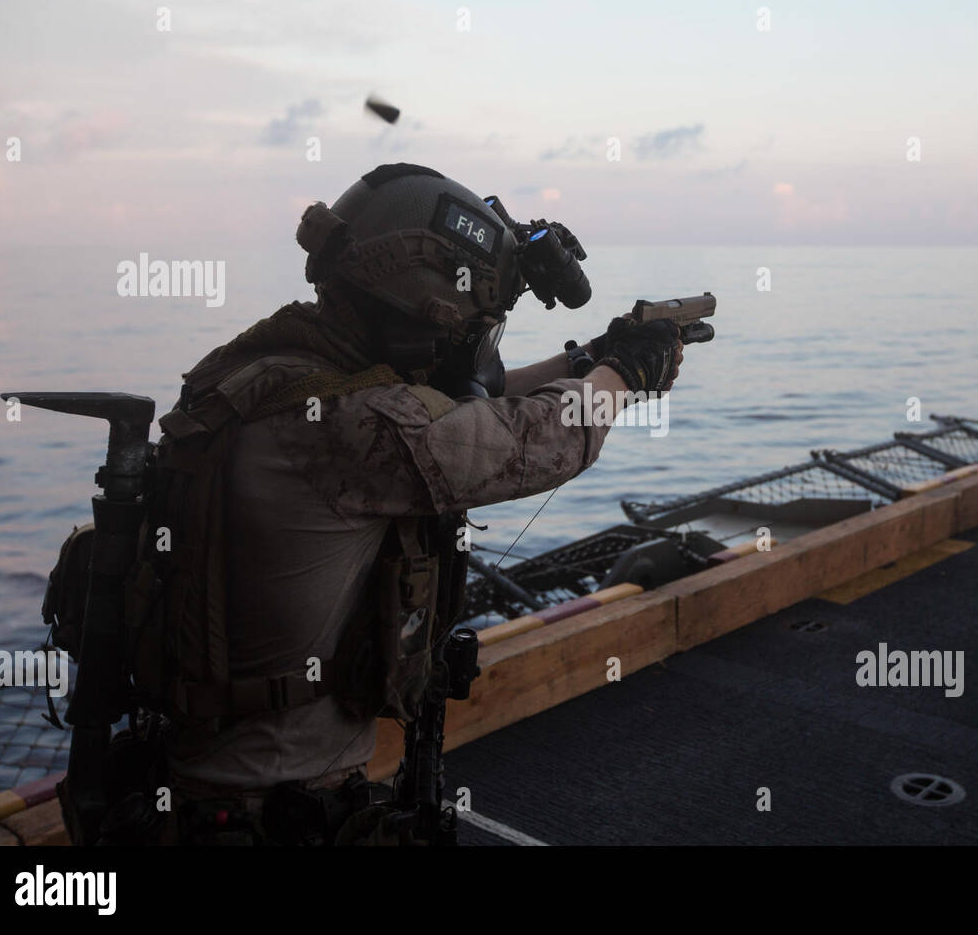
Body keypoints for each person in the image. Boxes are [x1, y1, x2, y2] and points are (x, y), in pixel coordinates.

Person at [139, 163, 684, 843]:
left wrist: (594, 357)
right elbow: (534, 439)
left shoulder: (273, 372)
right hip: (273, 813)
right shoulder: (345, 421)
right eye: (473, 327)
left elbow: (458, 403)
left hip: (198, 788)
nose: (474, 344)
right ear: (422, 308)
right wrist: (626, 375)